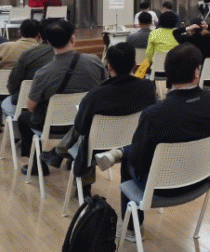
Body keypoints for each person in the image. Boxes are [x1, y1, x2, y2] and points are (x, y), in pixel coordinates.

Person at [94, 43, 210, 241]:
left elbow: (138, 161)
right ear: (197, 72)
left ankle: (131, 229)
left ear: (167, 75)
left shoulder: (154, 115)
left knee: (128, 161)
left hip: (161, 187)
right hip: (202, 180)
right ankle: (120, 152)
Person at [39, 43, 157, 191]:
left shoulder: (96, 95)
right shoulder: (148, 87)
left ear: (109, 67)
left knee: (85, 132)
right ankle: (59, 152)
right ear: (134, 64)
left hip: (98, 150)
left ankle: (63, 156)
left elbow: (80, 127)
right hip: (133, 144)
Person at [18, 20, 106, 176]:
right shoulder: (94, 61)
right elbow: (104, 88)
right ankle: (71, 156)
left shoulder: (43, 73)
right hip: (85, 122)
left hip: (54, 125)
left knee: (23, 118)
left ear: (49, 42)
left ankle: (37, 165)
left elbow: (31, 106)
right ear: (73, 39)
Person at [0, 19, 40, 133]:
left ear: (20, 32)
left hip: (3, 93)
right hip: (32, 97)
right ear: (39, 34)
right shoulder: (43, 52)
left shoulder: (4, 47)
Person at [2, 19, 56, 122]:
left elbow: (13, 84)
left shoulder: (28, 54)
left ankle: (13, 131)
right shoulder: (77, 59)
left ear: (40, 34)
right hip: (65, 111)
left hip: (30, 104)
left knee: (6, 103)